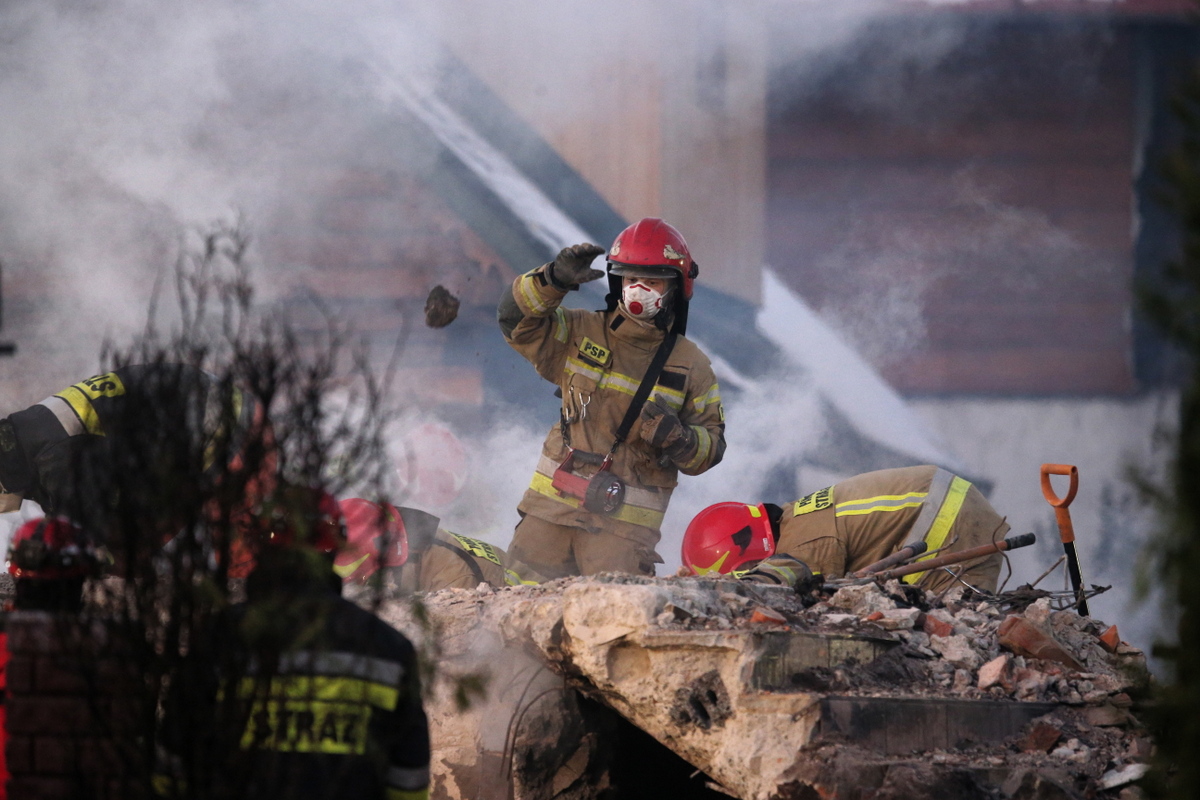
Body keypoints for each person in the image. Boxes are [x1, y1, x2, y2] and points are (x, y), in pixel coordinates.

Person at [157, 486, 430, 800]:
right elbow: (409, 779)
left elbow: (173, 761)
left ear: (260, 545)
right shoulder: (389, 647)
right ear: (334, 545)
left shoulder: (221, 636)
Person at [498, 218, 726, 578]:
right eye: (631, 279)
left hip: (621, 539)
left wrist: (680, 438)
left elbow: (712, 447)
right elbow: (514, 320)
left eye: (652, 282)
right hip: (547, 521)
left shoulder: (691, 366)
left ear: (675, 288)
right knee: (514, 619)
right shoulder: (578, 331)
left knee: (609, 626)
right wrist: (552, 280)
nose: (639, 291)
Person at [0, 364, 268, 521]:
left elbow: (96, 541)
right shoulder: (28, 433)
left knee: (228, 518)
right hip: (223, 404)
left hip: (221, 419)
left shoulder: (50, 461)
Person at [681, 465, 1009, 593]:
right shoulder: (800, 518)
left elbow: (786, 585)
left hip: (951, 523)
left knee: (949, 624)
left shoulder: (805, 541)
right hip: (951, 509)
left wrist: (740, 590)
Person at [335, 498, 543, 592]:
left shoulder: (455, 577)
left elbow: (468, 650)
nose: (362, 587)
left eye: (364, 580)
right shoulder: (407, 541)